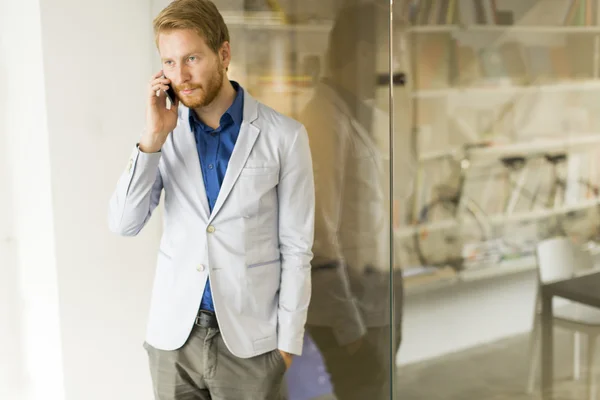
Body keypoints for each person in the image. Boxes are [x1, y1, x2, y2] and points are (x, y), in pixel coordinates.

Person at [108, 0, 315, 398]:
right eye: (168, 62)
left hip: (250, 345)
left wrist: (287, 345)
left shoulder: (284, 136)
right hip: (173, 342)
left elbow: (297, 246)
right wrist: (152, 139)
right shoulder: (164, 136)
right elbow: (124, 223)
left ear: (224, 53)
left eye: (191, 58)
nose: (180, 76)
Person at [298, 4, 406, 399]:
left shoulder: (358, 112)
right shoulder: (323, 120)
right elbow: (318, 236)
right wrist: (351, 333)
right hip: (354, 321)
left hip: (375, 310)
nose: (398, 66)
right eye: (392, 52)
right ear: (364, 53)